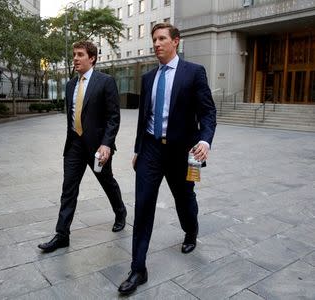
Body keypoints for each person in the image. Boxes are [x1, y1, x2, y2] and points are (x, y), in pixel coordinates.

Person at [118, 23, 217, 295]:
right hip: (151, 149)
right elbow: (144, 118)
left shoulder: (193, 73)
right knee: (144, 205)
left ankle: (190, 231)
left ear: (176, 42)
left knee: (184, 200)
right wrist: (138, 149)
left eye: (162, 39)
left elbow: (208, 112)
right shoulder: (148, 78)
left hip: (181, 152)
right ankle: (138, 268)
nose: (157, 44)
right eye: (154, 39)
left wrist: (204, 141)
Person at [38, 41, 127, 253]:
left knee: (107, 182)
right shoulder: (70, 85)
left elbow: (113, 117)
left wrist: (107, 144)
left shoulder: (105, 82)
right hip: (74, 146)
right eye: (74, 55)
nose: (75, 59)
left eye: (80, 55)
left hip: (98, 148)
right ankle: (62, 235)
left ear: (92, 58)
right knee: (68, 189)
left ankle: (120, 211)